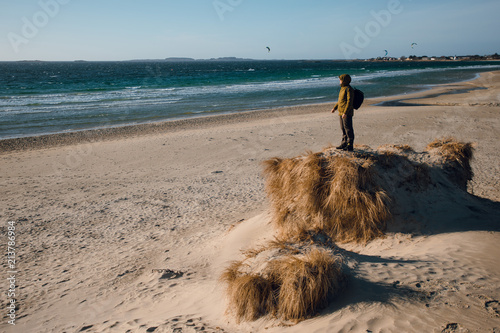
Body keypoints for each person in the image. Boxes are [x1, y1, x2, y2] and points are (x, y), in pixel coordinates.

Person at [331, 74, 355, 151]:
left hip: (346, 112)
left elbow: (349, 102)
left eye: (340, 79)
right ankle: (344, 143)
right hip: (341, 112)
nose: (339, 80)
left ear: (344, 80)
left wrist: (345, 112)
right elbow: (340, 101)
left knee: (348, 129)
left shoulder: (349, 89)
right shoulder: (342, 88)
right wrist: (334, 108)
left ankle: (350, 145)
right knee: (343, 129)